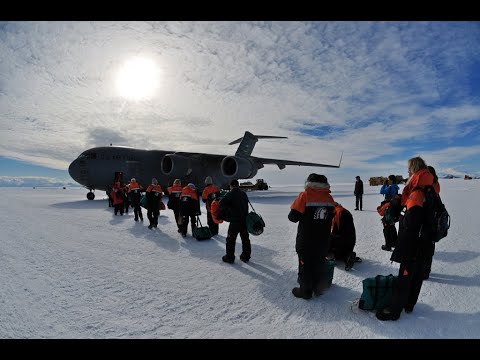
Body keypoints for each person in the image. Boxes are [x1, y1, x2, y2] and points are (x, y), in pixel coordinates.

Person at [376, 156, 434, 321]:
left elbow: (411, 223)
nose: (407, 172)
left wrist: (401, 247)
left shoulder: (416, 194)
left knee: (405, 277)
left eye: (409, 169)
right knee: (416, 277)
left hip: (413, 244)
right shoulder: (429, 189)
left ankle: (394, 311)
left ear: (415, 170)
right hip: (425, 242)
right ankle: (409, 305)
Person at [288, 173, 335, 299]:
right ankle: (317, 287)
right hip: (323, 239)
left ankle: (305, 291)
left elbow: (292, 217)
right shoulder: (329, 198)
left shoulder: (305, 195)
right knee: (319, 262)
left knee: (305, 264)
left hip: (307, 239)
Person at [218, 179, 251, 264]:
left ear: (231, 186)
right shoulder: (243, 194)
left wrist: (228, 208)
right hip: (244, 220)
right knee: (245, 239)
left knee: (231, 239)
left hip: (235, 221)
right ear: (238, 185)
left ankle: (230, 257)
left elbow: (220, 205)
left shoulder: (230, 194)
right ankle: (246, 256)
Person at [329, 202, 361, 271]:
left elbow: (334, 232)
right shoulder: (345, 211)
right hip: (350, 242)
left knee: (327, 238)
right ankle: (348, 255)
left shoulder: (336, 213)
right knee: (342, 253)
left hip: (341, 241)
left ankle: (331, 256)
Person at [423, 165, 440, 280]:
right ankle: (426, 271)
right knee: (429, 248)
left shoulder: (430, 187)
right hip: (433, 219)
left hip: (429, 219)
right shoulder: (435, 184)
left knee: (426, 248)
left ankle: (424, 272)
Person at [379, 175, 401, 251]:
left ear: (391, 180)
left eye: (388, 179)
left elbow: (382, 191)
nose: (387, 180)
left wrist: (384, 185)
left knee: (386, 226)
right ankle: (394, 243)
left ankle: (388, 245)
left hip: (389, 208)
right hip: (393, 208)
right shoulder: (395, 187)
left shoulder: (390, 187)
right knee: (391, 225)